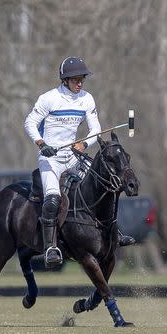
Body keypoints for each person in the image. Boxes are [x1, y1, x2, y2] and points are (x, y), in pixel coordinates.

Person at [24, 57, 134, 268]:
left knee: (101, 187)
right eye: (75, 79)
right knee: (53, 199)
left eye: (82, 79)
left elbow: (96, 130)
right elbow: (30, 122)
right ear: (65, 80)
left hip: (74, 156)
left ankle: (114, 232)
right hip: (51, 159)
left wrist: (84, 144)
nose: (80, 83)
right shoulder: (49, 98)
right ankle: (51, 248)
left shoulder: (87, 99)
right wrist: (41, 143)